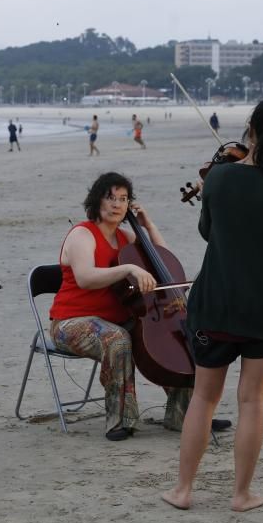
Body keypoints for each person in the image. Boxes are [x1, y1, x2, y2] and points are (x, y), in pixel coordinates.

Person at [162, 98, 263, 512]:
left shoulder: (218, 178)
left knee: (203, 397)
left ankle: (182, 490)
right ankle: (241, 495)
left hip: (216, 304)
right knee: (252, 400)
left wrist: (217, 183)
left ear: (249, 127)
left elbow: (206, 232)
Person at [49, 172, 231, 441]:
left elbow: (164, 259)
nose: (117, 204)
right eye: (110, 198)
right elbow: (86, 278)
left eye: (123, 199)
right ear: (97, 201)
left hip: (118, 319)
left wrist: (148, 226)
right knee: (118, 340)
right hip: (71, 322)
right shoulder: (82, 234)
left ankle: (186, 415)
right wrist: (129, 269)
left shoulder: (125, 236)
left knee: (173, 338)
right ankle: (120, 420)